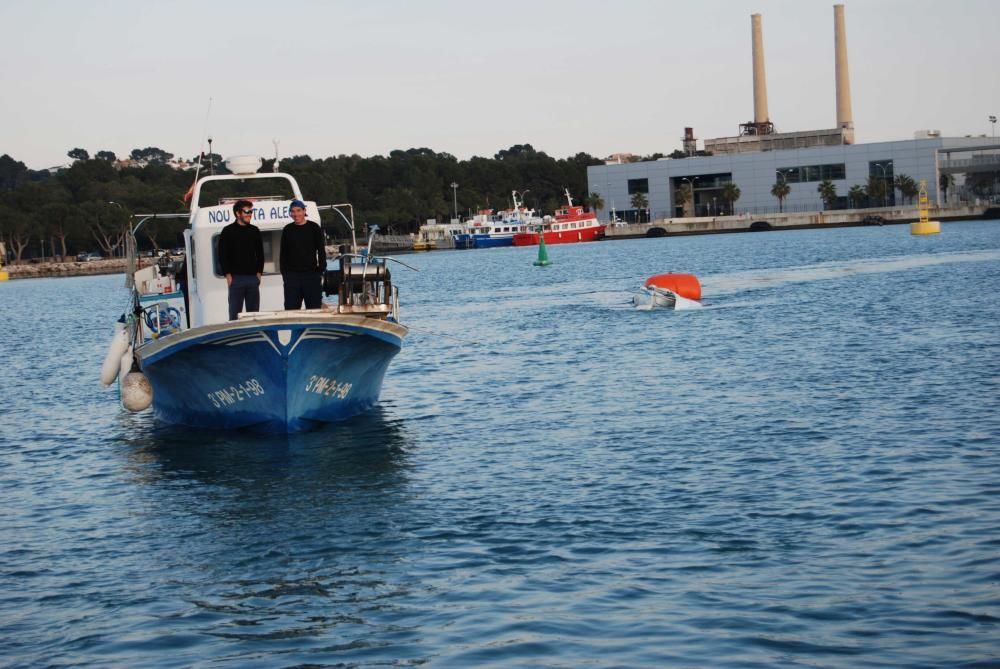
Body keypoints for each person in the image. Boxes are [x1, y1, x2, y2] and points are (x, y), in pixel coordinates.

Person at [217, 199, 264, 320]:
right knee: (235, 314)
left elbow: (260, 253)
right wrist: (227, 274)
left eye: (251, 211)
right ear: (238, 213)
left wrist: (259, 272)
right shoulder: (227, 231)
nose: (249, 214)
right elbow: (222, 254)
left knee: (254, 315)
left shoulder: (255, 230)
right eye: (247, 211)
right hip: (235, 279)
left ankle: (254, 336)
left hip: (252, 278)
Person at [280, 199, 326, 310]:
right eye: (293, 211)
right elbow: (283, 253)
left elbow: (321, 250)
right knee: (291, 309)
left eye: (298, 210)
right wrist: (285, 273)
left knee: (314, 308)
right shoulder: (287, 229)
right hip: (292, 277)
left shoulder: (314, 228)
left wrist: (320, 269)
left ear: (304, 211)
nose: (296, 214)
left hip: (311, 275)